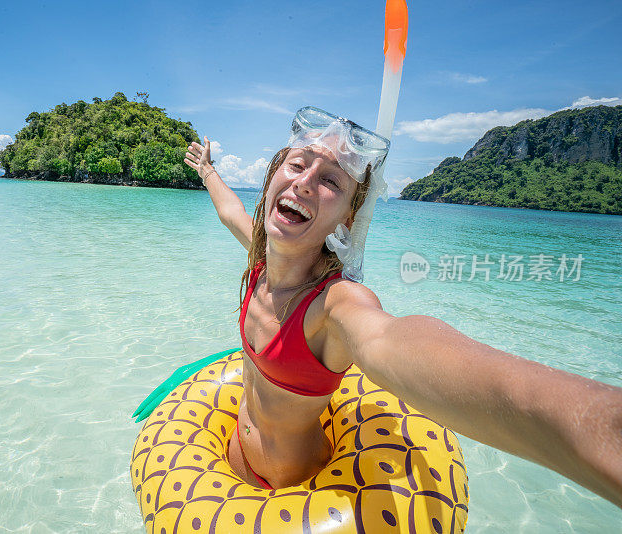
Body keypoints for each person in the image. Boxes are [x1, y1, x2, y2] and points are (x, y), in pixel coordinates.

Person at [183, 107, 622, 508]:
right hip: (233, 461)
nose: (304, 181)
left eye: (332, 180)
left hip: (296, 489)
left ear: (348, 221)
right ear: (275, 175)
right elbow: (230, 210)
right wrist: (207, 171)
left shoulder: (333, 307)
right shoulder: (260, 261)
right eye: (297, 165)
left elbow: (392, 341)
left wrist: (596, 427)